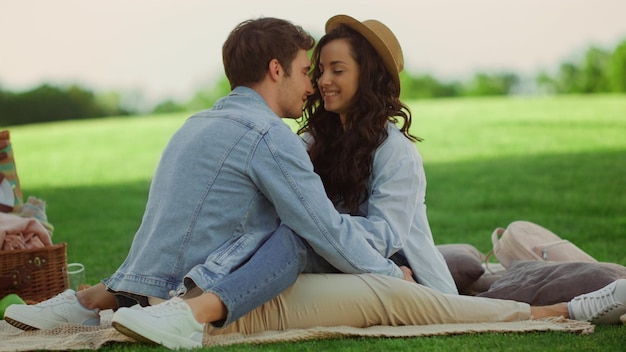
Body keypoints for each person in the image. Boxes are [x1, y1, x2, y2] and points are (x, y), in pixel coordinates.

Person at [105, 15, 626, 350]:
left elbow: (387, 241)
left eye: (337, 70)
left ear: (367, 78)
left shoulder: (394, 154)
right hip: (352, 265)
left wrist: (349, 247)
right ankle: (502, 264)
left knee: (467, 271)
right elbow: (306, 228)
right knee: (468, 260)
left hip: (397, 273)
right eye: (318, 70)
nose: (323, 81)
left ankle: (586, 288)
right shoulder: (306, 142)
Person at [4, 16, 423, 336]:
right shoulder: (270, 135)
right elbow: (322, 229)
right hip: (196, 277)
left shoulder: (198, 122)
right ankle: (176, 313)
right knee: (296, 232)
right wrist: (388, 275)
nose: (313, 84)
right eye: (305, 71)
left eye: (329, 72)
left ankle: (88, 300)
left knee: (287, 226)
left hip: (162, 271)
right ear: (277, 70)